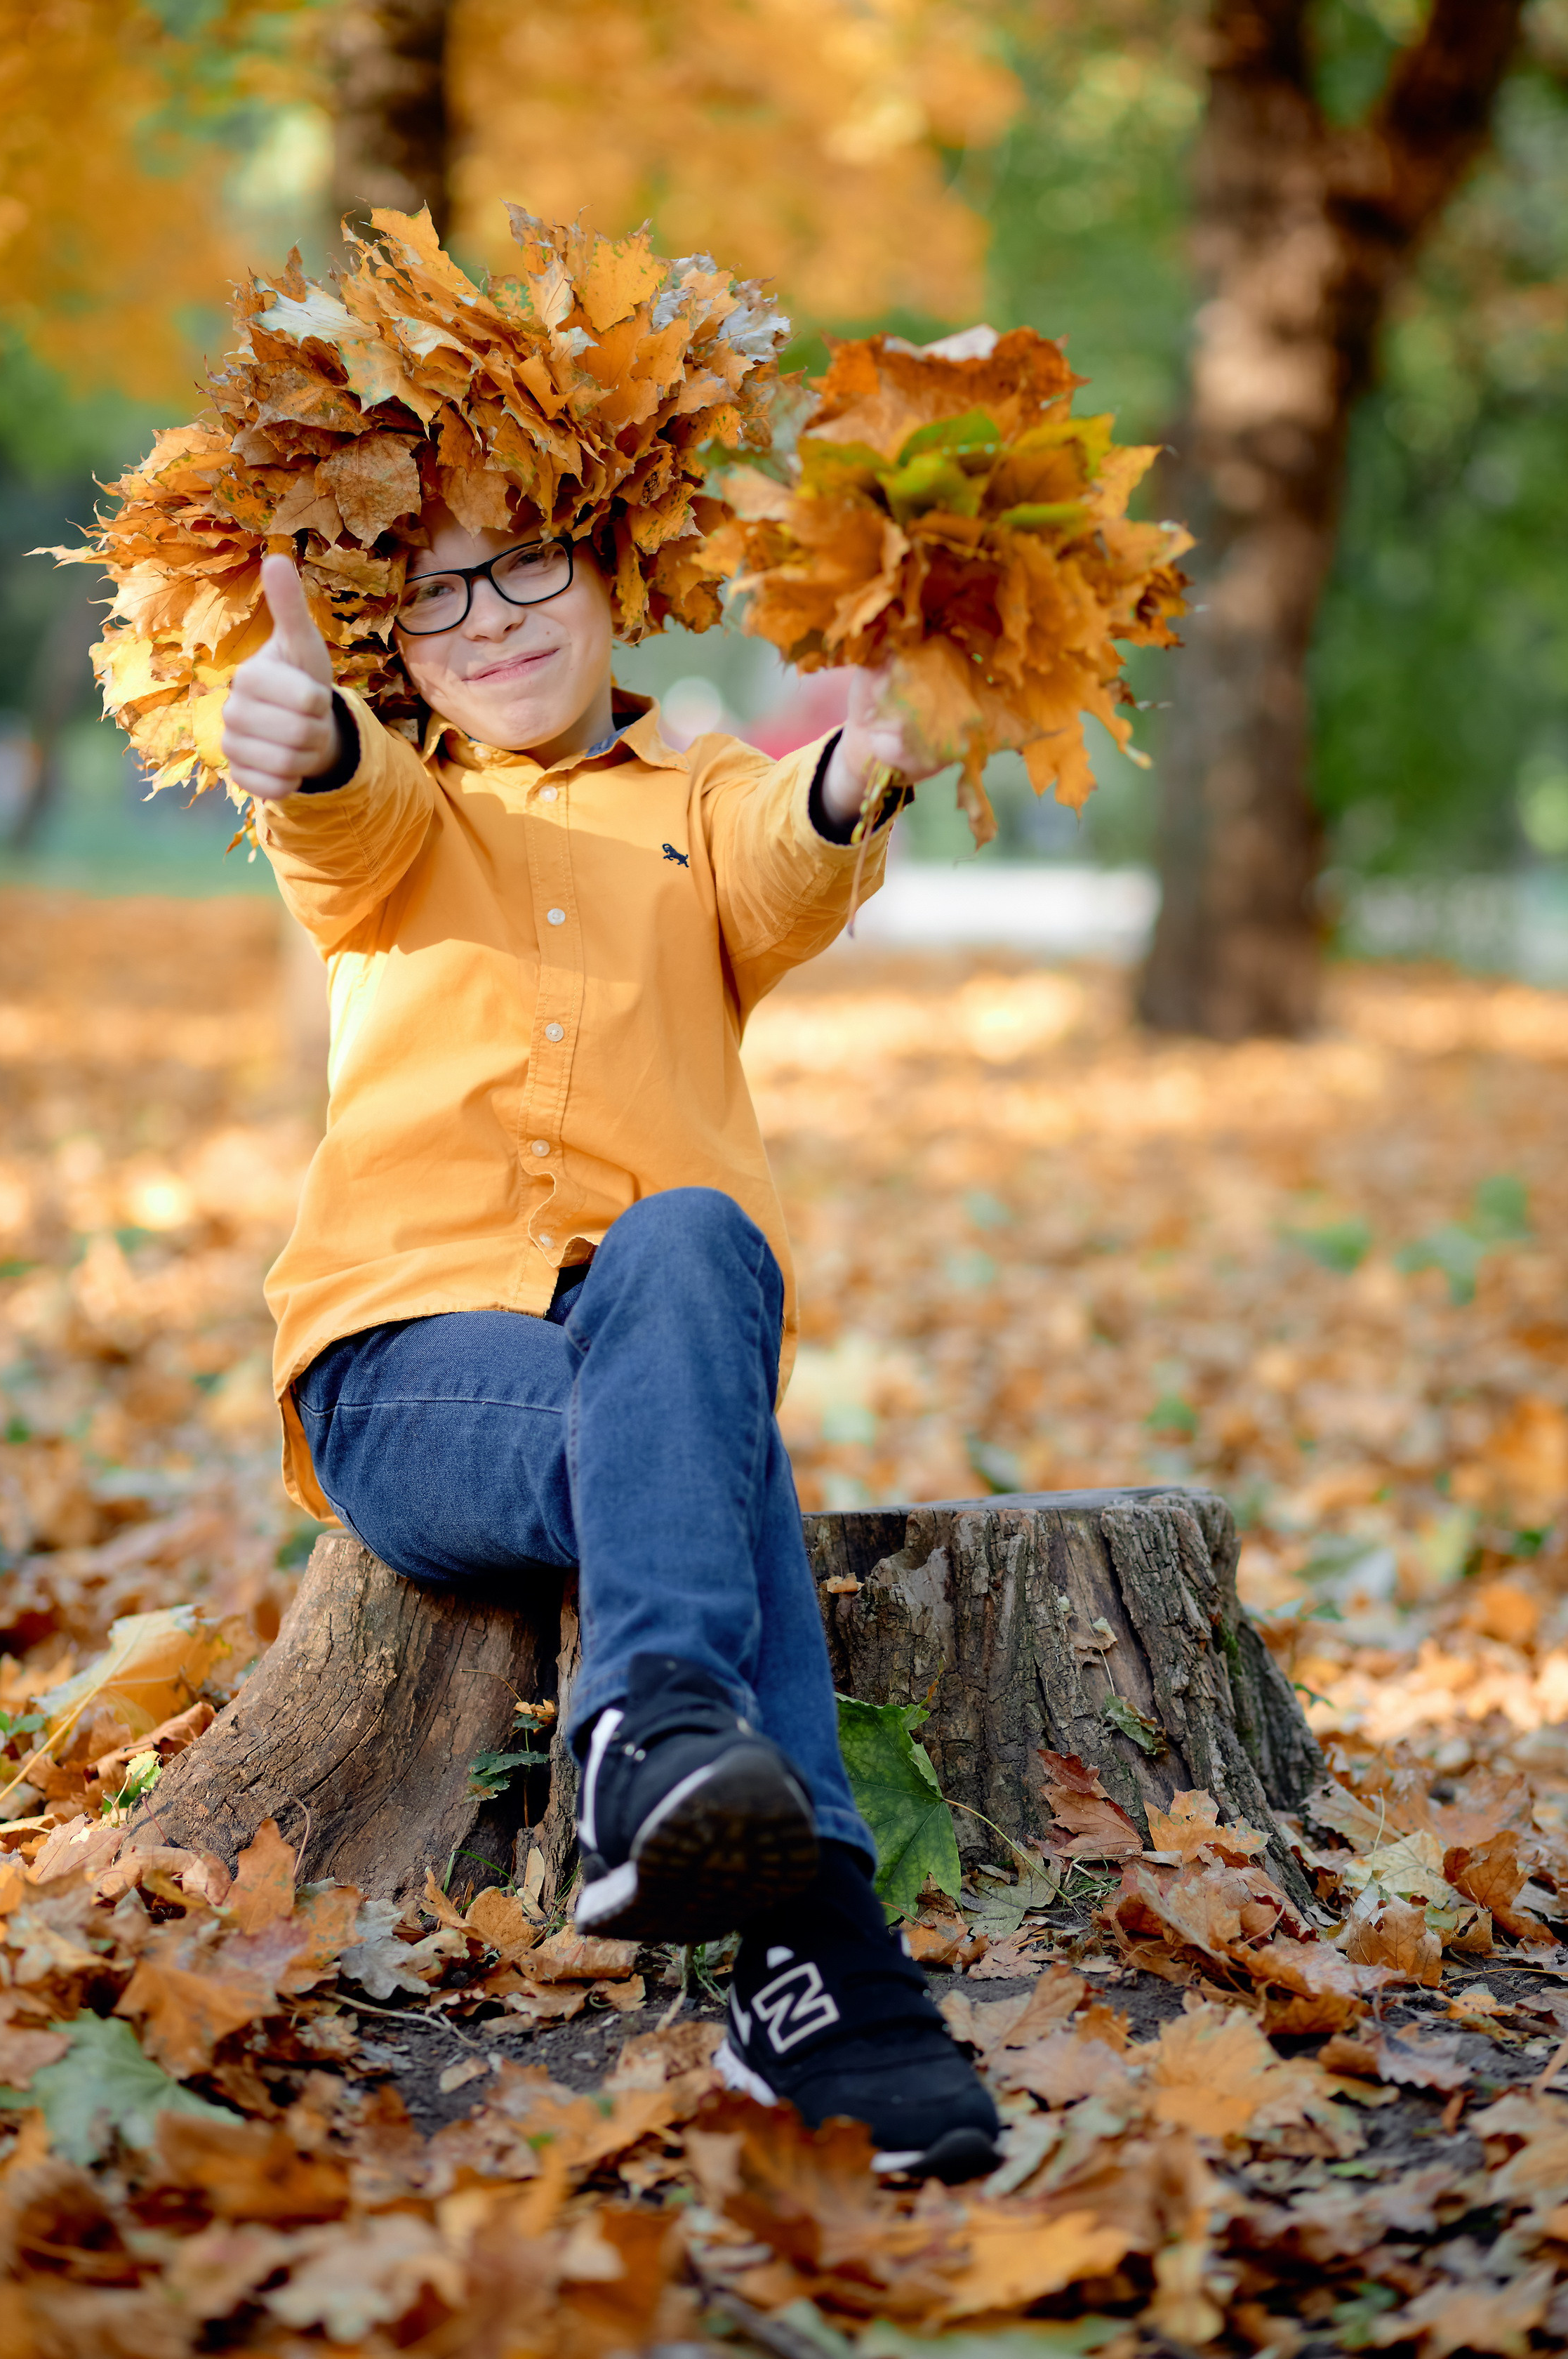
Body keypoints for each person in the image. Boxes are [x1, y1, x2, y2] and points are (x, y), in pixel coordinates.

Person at [222, 510, 1004, 2186]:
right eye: (432, 593)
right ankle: (830, 1968)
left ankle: (653, 1729)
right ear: (391, 639)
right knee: (708, 1448)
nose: (485, 618)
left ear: (608, 574)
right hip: (408, 1375)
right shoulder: (403, 798)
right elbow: (338, 811)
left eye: (524, 565)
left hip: (655, 1341)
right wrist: (304, 737)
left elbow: (786, 854)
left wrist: (859, 764)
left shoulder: (704, 796)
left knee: (698, 1234)